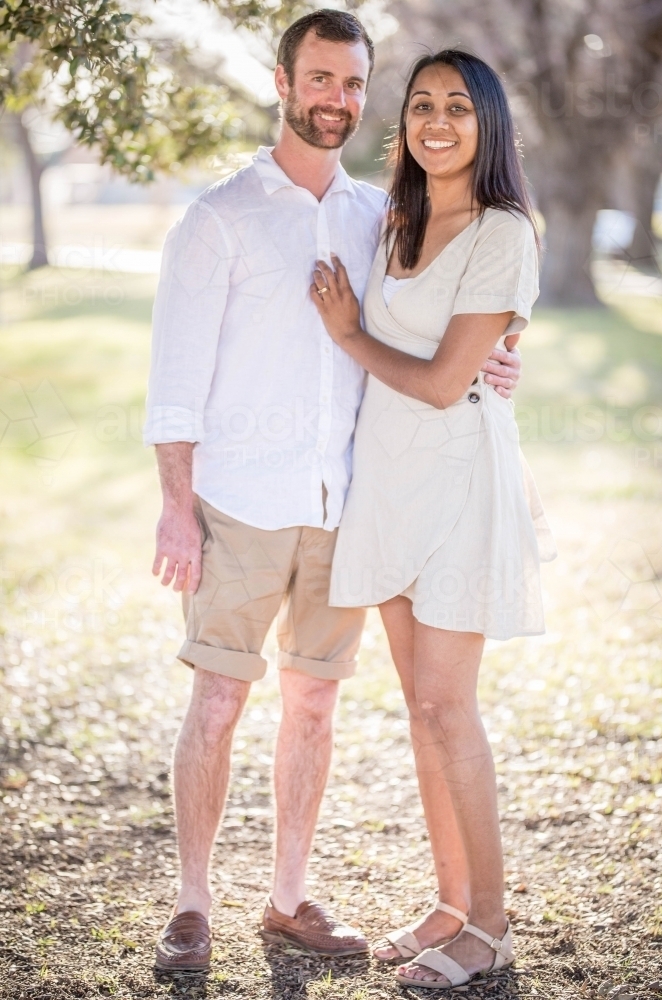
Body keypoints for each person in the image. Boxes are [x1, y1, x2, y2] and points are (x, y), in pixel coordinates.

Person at [144, 12, 523, 973]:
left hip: (342, 505)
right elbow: (175, 380)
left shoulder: (377, 217)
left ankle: (287, 899)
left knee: (313, 706)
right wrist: (175, 503)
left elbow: (436, 333)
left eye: (353, 85)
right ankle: (193, 903)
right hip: (239, 501)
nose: (336, 100)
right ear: (283, 82)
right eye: (320, 80)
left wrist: (499, 362)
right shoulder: (219, 216)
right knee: (219, 706)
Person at [311, 49, 556, 990]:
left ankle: (489, 929)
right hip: (387, 481)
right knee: (420, 709)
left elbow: (449, 380)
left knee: (450, 706)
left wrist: (348, 335)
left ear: (488, 123)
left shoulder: (504, 230)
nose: (436, 120)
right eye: (420, 104)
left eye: (458, 104)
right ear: (402, 122)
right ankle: (450, 903)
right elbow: (475, 349)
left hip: (457, 487)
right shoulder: (395, 219)